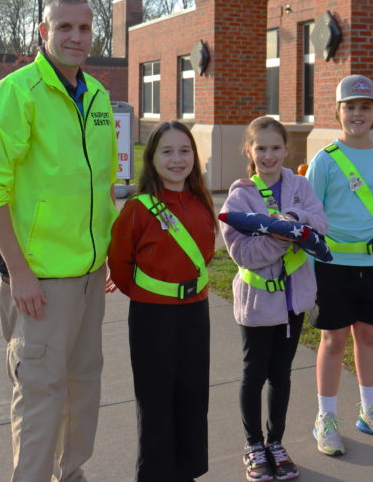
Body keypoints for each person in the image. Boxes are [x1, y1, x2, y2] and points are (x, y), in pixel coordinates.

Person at [0, 0, 118, 482]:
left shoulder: (95, 95)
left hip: (91, 275)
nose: (76, 37)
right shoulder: (16, 93)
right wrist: (20, 273)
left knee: (83, 387)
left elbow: (101, 185)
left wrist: (108, 252)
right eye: (64, 28)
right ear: (43, 32)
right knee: (40, 397)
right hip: (41, 283)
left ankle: (70, 474)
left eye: (85, 28)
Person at [220, 117, 328, 481]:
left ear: (286, 149)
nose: (269, 155)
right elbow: (244, 252)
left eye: (276, 147)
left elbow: (319, 221)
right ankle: (254, 445)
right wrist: (285, 234)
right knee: (254, 374)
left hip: (293, 301)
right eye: (261, 148)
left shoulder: (299, 184)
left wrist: (292, 219)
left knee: (281, 375)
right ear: (249, 150)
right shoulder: (240, 195)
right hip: (257, 303)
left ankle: (276, 443)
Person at [107, 120, 216, 482]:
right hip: (153, 317)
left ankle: (186, 472)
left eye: (185, 151)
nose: (177, 159)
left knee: (192, 396)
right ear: (151, 158)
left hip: (196, 314)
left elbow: (205, 251)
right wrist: (151, 295)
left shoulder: (201, 200)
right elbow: (120, 264)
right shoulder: (138, 208)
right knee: (155, 402)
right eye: (167, 151)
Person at [306, 75, 373, 455]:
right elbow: (311, 218)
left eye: (365, 107)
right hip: (332, 265)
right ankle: (325, 417)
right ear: (339, 111)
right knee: (333, 339)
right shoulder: (325, 160)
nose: (357, 114)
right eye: (350, 107)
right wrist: (311, 269)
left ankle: (370, 411)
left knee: (369, 337)